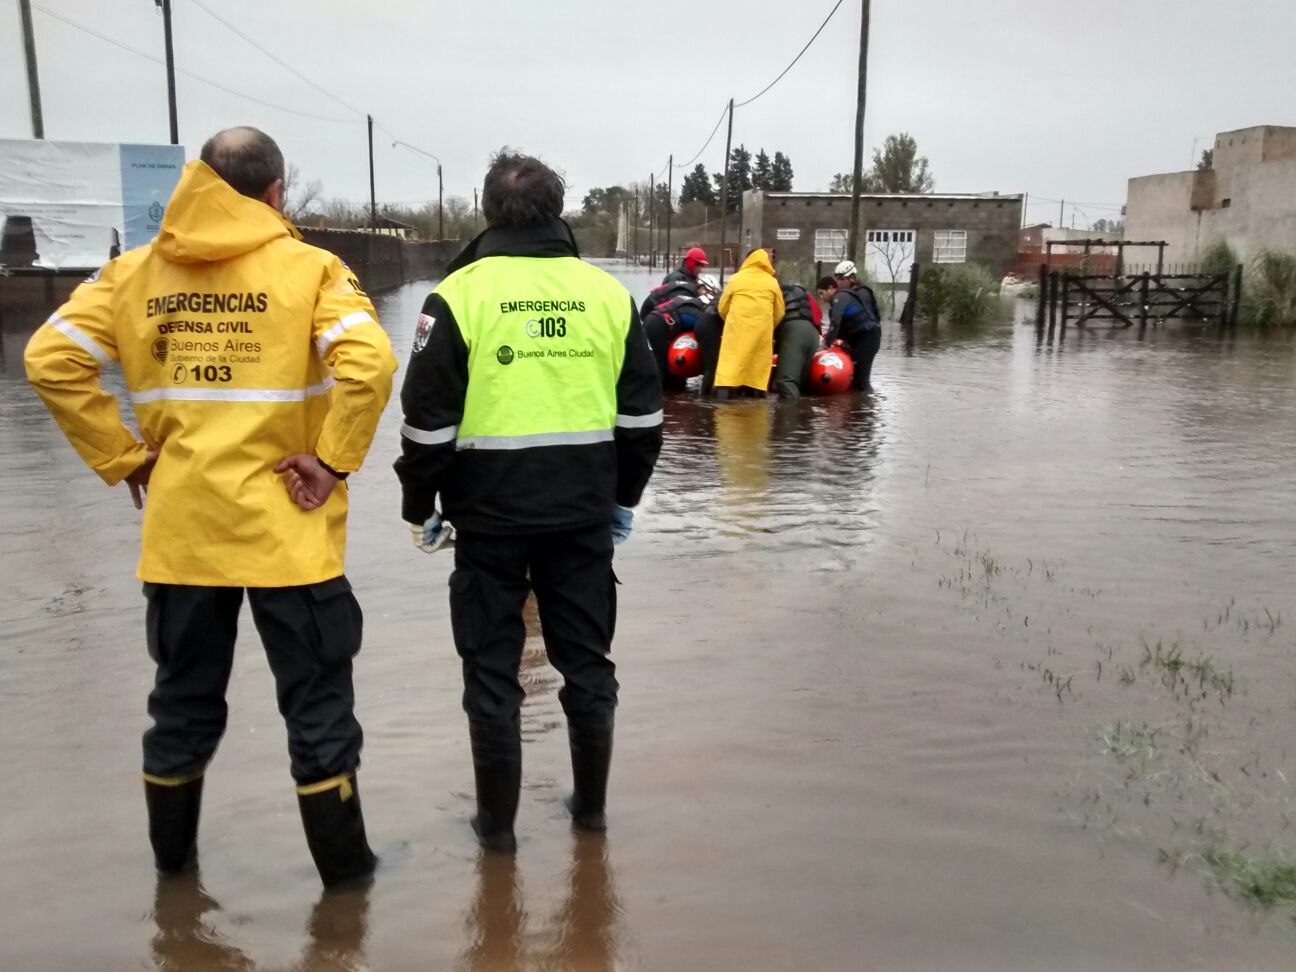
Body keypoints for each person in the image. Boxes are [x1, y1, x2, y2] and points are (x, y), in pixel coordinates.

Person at [24, 127, 397, 887]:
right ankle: (349, 889)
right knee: (317, 708)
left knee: (182, 707)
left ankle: (175, 888)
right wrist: (330, 463)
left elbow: (49, 359)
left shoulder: (132, 273)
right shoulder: (312, 269)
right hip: (288, 531)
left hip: (183, 533)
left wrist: (125, 457)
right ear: (275, 194)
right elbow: (371, 364)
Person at [394, 151, 663, 852]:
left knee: (491, 671)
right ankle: (592, 817)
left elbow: (426, 421)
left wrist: (418, 501)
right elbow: (643, 419)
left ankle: (497, 834)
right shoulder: (606, 294)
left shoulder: (458, 295)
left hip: (487, 521)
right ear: (557, 212)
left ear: (488, 212)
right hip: (582, 516)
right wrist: (622, 498)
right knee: (588, 663)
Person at [714, 248, 785, 397]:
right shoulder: (772, 283)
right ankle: (756, 395)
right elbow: (780, 312)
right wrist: (768, 325)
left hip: (736, 331)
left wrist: (732, 320)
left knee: (730, 366)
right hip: (761, 332)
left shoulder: (736, 279)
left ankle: (724, 396)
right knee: (757, 369)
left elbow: (722, 307)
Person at [822, 260, 883, 391]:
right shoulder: (844, 295)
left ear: (852, 278)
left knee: (861, 379)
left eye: (841, 279)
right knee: (852, 374)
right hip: (857, 337)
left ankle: (866, 407)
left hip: (868, 336)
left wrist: (828, 341)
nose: (838, 282)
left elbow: (863, 319)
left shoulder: (861, 293)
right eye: (837, 279)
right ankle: (853, 406)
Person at [772, 281, 823, 400]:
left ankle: (789, 415)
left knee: (786, 382)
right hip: (813, 335)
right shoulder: (806, 297)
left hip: (795, 333)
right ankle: (805, 415)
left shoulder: (775, 292)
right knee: (801, 384)